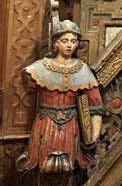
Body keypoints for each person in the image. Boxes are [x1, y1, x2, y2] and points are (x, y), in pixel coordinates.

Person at [16, 21, 103, 174]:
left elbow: (95, 104)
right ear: (56, 43)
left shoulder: (83, 70)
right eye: (64, 41)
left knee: (68, 166)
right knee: (44, 166)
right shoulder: (38, 69)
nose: (69, 45)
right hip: (46, 123)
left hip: (71, 126)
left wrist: (93, 133)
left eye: (73, 41)